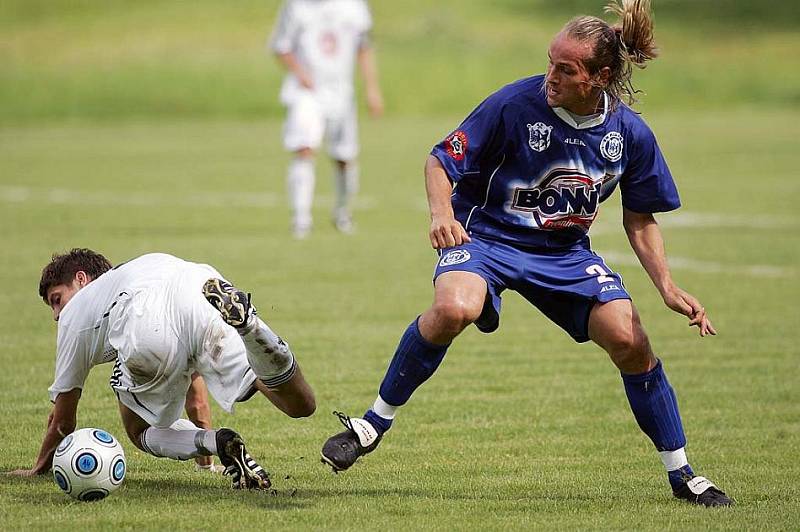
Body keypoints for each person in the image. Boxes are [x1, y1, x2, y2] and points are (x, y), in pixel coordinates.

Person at [321, 0, 733, 507]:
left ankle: (684, 474)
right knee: (454, 308)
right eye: (550, 62)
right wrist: (441, 215)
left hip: (563, 254)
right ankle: (371, 425)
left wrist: (667, 287)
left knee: (630, 340)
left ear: (600, 77)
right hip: (487, 238)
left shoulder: (629, 134)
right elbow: (440, 160)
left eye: (566, 69)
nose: (550, 77)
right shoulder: (515, 105)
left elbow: (640, 218)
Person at [9, 249, 315, 489]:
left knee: (138, 429)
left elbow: (63, 420)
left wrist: (38, 468)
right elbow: (194, 395)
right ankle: (250, 328)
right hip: (200, 287)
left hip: (146, 321)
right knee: (300, 405)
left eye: (56, 300)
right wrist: (207, 463)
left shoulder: (77, 314)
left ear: (81, 279)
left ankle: (215, 439)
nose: (56, 315)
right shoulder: (136, 273)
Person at [269, 0, 384, 238]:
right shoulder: (296, 7)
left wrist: (372, 89)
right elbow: (281, 47)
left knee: (344, 156)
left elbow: (364, 48)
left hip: (341, 93)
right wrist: (302, 75)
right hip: (307, 92)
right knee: (304, 148)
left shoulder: (354, 7)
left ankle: (342, 213)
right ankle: (301, 219)